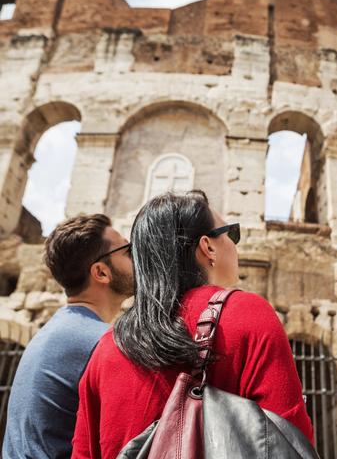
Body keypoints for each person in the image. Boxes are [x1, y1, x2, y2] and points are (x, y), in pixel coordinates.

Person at [71, 190, 313, 458]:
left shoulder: (107, 346)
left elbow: (83, 453)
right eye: (231, 234)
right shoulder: (248, 314)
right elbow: (290, 441)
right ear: (207, 246)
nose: (235, 244)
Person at [2, 214, 134, 459]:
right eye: (128, 251)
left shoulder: (53, 332)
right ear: (101, 273)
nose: (137, 258)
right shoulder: (101, 343)